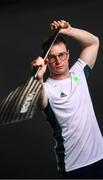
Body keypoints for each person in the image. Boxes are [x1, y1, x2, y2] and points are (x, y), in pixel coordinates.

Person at [32, 20, 103, 178]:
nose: (58, 61)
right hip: (73, 166)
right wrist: (38, 77)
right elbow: (40, 97)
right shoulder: (47, 90)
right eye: (52, 57)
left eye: (62, 55)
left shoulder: (79, 73)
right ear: (46, 61)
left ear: (68, 54)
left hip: (100, 158)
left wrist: (67, 30)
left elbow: (93, 42)